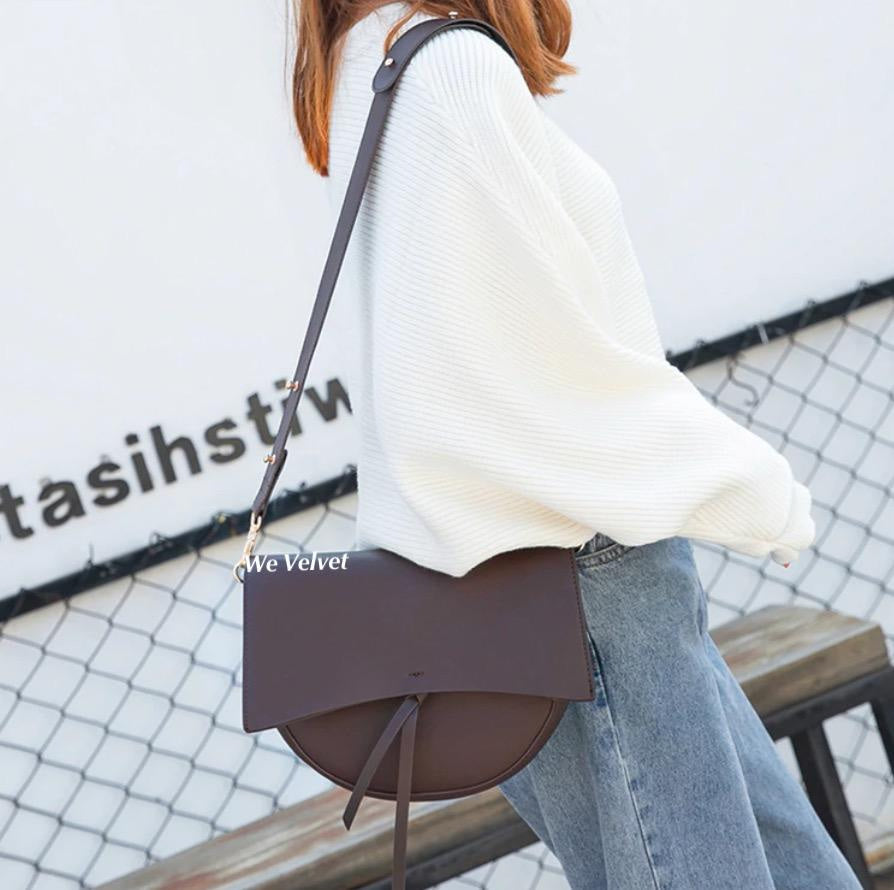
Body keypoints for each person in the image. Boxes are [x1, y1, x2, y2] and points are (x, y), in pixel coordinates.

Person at [291, 1, 863, 887]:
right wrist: (755, 491)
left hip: (491, 586)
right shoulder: (449, 70)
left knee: (783, 862)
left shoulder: (364, 58)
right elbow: (553, 371)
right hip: (583, 570)